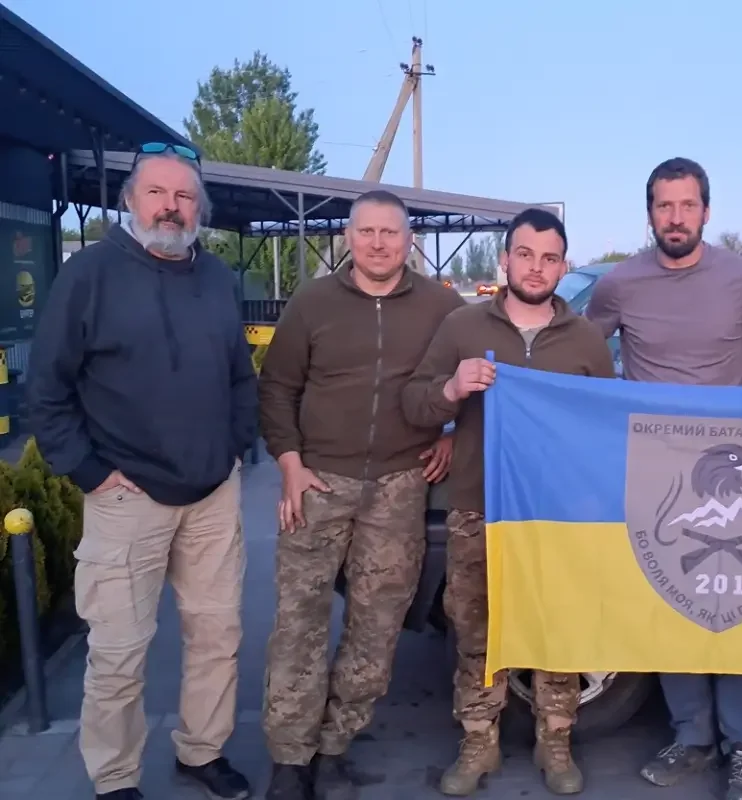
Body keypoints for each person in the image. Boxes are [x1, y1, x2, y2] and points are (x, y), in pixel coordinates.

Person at [26, 144, 257, 800]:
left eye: (184, 196)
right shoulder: (91, 275)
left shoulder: (216, 278)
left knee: (217, 635)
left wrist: (237, 443)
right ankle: (116, 777)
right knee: (120, 652)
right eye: (156, 193)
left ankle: (201, 751)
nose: (170, 206)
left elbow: (242, 374)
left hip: (213, 494)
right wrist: (89, 471)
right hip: (126, 496)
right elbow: (47, 387)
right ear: (130, 201)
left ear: (199, 210)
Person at [584, 157, 742, 800]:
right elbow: (581, 365)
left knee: (732, 611)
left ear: (707, 209)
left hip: (732, 475)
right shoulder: (618, 285)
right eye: (663, 206)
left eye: (687, 205)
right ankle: (691, 737)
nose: (675, 218)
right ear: (648, 211)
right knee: (670, 610)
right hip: (655, 474)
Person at [402, 207, 616, 796]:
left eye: (549, 258)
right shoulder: (463, 328)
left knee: (556, 630)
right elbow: (414, 404)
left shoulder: (586, 340)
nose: (536, 266)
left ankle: (556, 741)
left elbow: (607, 425)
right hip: (479, 507)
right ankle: (479, 743)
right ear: (505, 259)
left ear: (563, 266)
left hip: (556, 516)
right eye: (525, 254)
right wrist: (452, 390)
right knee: (477, 632)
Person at [257, 190, 463, 800]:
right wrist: (289, 464)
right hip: (318, 482)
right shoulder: (312, 303)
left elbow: (472, 374)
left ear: (408, 240)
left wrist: (450, 431)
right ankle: (290, 760)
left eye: (391, 233)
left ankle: (335, 743)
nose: (378, 243)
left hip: (400, 486)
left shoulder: (442, 307)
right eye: (367, 232)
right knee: (299, 622)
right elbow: (276, 389)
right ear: (349, 236)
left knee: (377, 627)